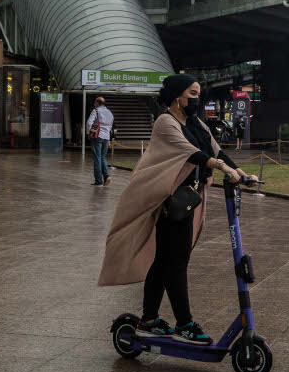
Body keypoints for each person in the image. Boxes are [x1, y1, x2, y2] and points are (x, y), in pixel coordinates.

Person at [98, 74, 258, 345]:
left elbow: (214, 149)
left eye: (197, 93)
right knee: (176, 262)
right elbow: (189, 152)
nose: (197, 98)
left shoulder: (194, 122)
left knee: (163, 260)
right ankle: (184, 324)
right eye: (192, 93)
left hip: (186, 199)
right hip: (168, 201)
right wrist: (220, 167)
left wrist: (240, 171)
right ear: (176, 96)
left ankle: (148, 320)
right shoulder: (165, 122)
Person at [86, 97, 114, 186]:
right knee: (102, 157)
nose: (94, 104)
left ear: (98, 103)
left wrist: (88, 133)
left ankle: (98, 181)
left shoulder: (96, 111)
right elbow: (111, 125)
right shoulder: (110, 112)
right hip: (106, 136)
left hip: (97, 136)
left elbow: (89, 123)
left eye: (95, 102)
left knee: (97, 158)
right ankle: (106, 176)